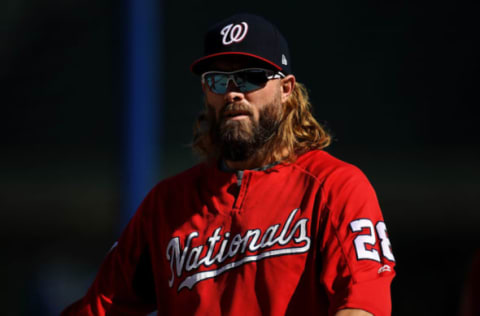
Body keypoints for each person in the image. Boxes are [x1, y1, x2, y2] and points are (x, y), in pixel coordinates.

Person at [63, 13, 395, 316]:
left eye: (250, 77)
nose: (233, 93)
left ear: (286, 90)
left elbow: (362, 304)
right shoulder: (166, 206)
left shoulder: (333, 186)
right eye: (219, 80)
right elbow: (99, 307)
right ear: (207, 92)